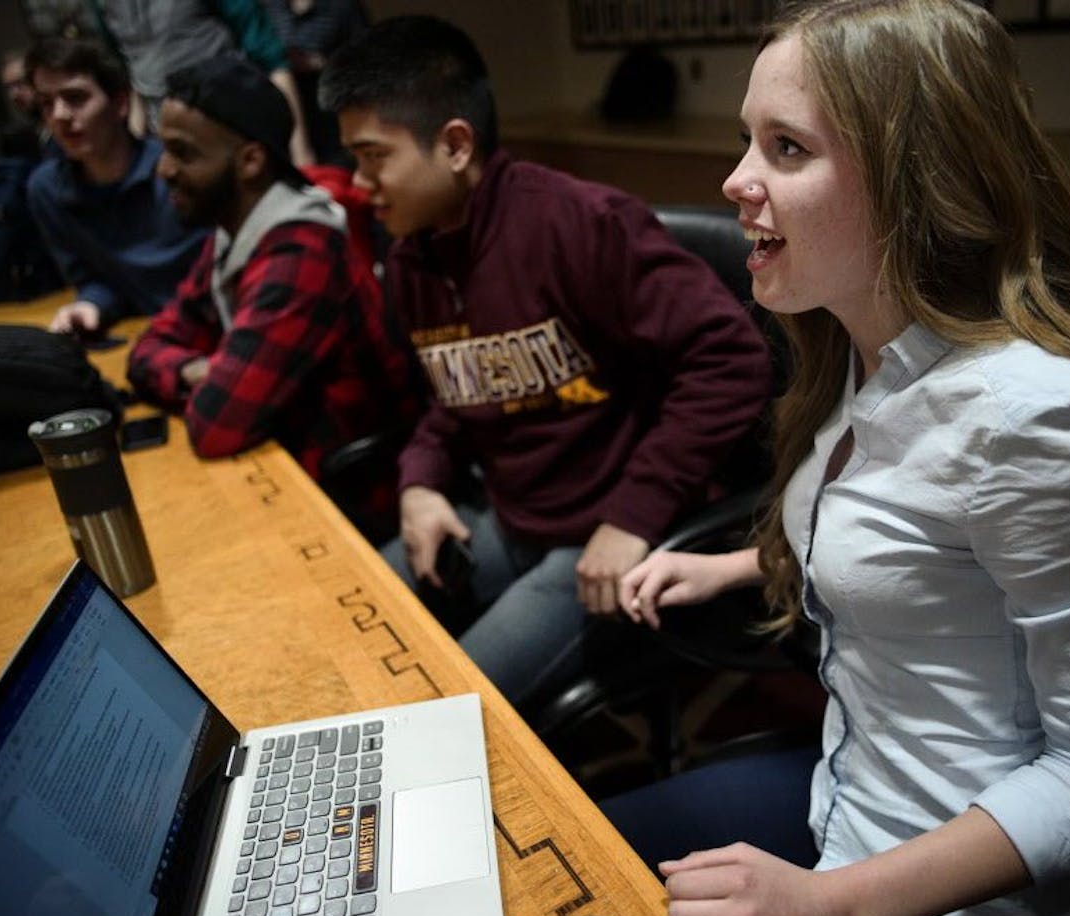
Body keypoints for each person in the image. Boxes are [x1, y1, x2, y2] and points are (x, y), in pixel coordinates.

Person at [605, 0, 1070, 916]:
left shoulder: (1043, 421)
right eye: (746, 142)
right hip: (842, 800)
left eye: (787, 149)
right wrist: (736, 568)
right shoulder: (858, 352)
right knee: (579, 854)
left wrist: (830, 908)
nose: (737, 181)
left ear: (914, 180)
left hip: (972, 912)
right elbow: (910, 554)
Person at [318, 16, 773, 706]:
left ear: (454, 144)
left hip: (604, 531)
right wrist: (420, 484)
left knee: (440, 708)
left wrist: (632, 518)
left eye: (373, 156)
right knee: (345, 634)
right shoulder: (413, 257)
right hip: (510, 514)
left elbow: (731, 359)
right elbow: (456, 394)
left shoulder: (580, 224)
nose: (358, 183)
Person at [127, 55, 421, 528]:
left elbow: (216, 426)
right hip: (291, 479)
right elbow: (149, 346)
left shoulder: (300, 251)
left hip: (354, 508)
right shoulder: (235, 234)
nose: (163, 170)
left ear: (250, 160)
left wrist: (208, 377)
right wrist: (196, 371)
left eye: (184, 153)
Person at [25, 37, 207, 336]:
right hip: (144, 333)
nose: (58, 116)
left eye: (75, 98)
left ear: (120, 104)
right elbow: (93, 279)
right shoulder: (46, 190)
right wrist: (92, 304)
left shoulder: (178, 171)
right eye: (46, 104)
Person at [89, 0, 316, 167]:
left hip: (232, 129)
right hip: (165, 141)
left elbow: (271, 59)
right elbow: (130, 72)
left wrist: (302, 156)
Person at [261, 0, 368, 164]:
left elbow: (362, 60)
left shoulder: (342, 6)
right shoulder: (269, 7)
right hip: (282, 106)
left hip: (329, 108)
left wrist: (318, 63)